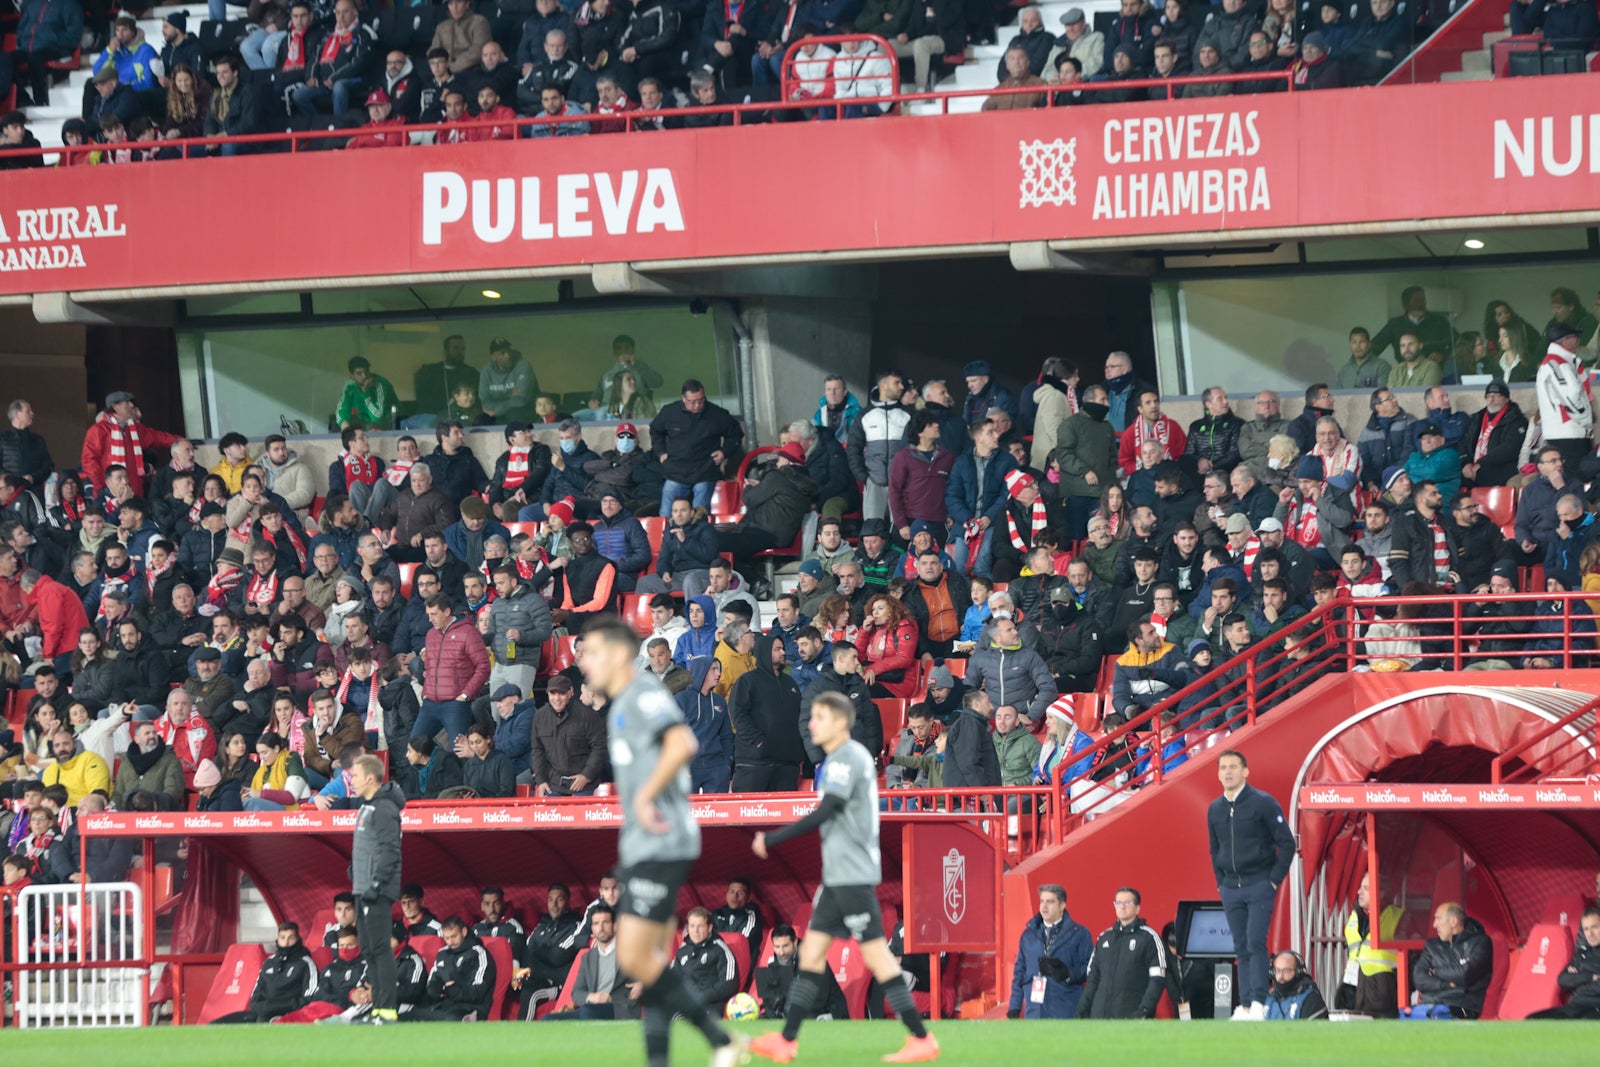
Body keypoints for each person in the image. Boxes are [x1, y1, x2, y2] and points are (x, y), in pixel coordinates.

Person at [585, 618, 745, 1067]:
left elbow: (681, 743)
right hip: (643, 841)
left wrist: (646, 797)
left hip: (662, 837)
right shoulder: (619, 705)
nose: (584, 662)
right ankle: (669, 1058)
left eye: (592, 653)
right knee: (648, 961)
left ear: (618, 655)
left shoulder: (644, 694)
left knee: (636, 955)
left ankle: (719, 1039)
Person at [749, 692, 937, 1064]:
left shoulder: (845, 758)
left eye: (819, 717)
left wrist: (772, 838)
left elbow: (829, 809)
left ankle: (920, 1037)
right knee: (812, 956)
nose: (811, 724)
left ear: (839, 722)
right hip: (839, 877)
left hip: (850, 876)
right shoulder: (844, 758)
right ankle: (787, 1041)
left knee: (878, 959)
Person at [1207, 750, 1296, 1020]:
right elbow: (1214, 849)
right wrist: (1221, 883)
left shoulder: (1263, 803)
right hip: (1231, 888)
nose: (1228, 772)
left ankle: (1259, 1001)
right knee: (1240, 945)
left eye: (1233, 767)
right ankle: (1245, 1005)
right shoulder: (1214, 809)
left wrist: (1272, 881)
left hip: (1259, 884)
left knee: (1256, 943)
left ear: (1246, 771)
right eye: (1223, 767)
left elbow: (1287, 843)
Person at [649, 379, 744, 516]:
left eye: (701, 400)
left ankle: (699, 536)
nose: (698, 405)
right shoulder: (669, 412)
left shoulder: (716, 414)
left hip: (705, 471)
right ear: (683, 399)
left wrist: (724, 452)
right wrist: (661, 452)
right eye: (693, 402)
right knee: (667, 514)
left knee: (700, 513)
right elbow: (655, 430)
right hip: (676, 472)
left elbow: (736, 434)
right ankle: (669, 537)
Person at [1077, 887, 1167, 1019]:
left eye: (1128, 903)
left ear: (1137, 908)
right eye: (1118, 903)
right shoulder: (1104, 938)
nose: (1122, 907)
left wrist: (1144, 1011)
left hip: (1132, 1017)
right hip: (1100, 1017)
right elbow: (1093, 979)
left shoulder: (1149, 937)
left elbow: (1157, 979)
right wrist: (1081, 1011)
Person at [729, 633, 804, 792]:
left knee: (785, 816)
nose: (783, 652)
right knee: (749, 815)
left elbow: (800, 717)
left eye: (783, 648)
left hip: (787, 765)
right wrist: (758, 742)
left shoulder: (790, 683)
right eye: (777, 649)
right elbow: (738, 714)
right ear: (764, 652)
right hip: (755, 764)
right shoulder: (747, 681)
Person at [1007, 883, 1092, 1019]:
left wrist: (1068, 974)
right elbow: (1019, 973)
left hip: (1066, 1011)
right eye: (1042, 901)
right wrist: (1014, 1006)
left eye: (1050, 901)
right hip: (1035, 1012)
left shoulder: (1080, 934)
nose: (1044, 906)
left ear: (1062, 905)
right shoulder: (1028, 935)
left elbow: (1090, 968)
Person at [211, 924, 319, 1023]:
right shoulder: (269, 962)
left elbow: (309, 999)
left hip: (286, 1013)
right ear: (278, 939)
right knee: (216, 1024)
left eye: (291, 938)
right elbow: (256, 994)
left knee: (262, 1020)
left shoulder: (306, 963)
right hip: (261, 1011)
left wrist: (278, 1007)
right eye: (282, 938)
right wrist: (261, 1007)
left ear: (298, 939)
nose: (286, 942)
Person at [1411, 902, 1493, 1019]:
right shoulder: (1431, 945)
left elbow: (1465, 974)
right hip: (1427, 1006)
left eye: (1438, 919)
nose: (1434, 925)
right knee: (1398, 1019)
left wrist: (1435, 972)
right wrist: (1445, 984)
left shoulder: (1480, 942)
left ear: (1454, 922)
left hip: (1461, 1006)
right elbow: (1418, 978)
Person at [529, 675, 607, 796]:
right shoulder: (540, 716)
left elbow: (599, 747)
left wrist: (586, 776)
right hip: (553, 784)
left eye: (561, 694)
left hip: (584, 785)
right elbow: (537, 750)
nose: (557, 698)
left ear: (571, 693)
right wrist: (541, 780)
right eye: (552, 694)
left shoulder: (588, 715)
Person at [757, 923, 849, 1020]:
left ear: (795, 942)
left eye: (785, 946)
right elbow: (770, 1004)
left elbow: (817, 1001)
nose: (781, 952)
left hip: (826, 1012)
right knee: (761, 1019)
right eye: (777, 947)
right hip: (792, 1013)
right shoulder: (774, 963)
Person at [1341, 871, 1402, 1015]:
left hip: (1382, 994)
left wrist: (1391, 988)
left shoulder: (1398, 917)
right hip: (1354, 989)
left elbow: (1412, 960)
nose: (1359, 891)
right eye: (1361, 887)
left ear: (1381, 893)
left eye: (1366, 888)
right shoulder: (1355, 915)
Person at [1537, 321, 1594, 472]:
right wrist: (1586, 420)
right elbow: (1572, 398)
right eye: (1575, 337)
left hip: (1568, 433)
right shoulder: (1557, 363)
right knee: (1573, 482)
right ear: (1566, 340)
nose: (1577, 341)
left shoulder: (1560, 362)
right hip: (1567, 435)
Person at [1528, 906, 1600, 1019]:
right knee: (1533, 1019)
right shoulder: (1581, 955)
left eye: (1594, 927)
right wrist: (1590, 977)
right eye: (1586, 929)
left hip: (1595, 1007)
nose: (1590, 933)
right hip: (1575, 1006)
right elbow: (1563, 980)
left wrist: (1577, 977)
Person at [671, 908, 741, 1010]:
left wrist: (701, 997)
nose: (696, 931)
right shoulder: (682, 951)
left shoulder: (720, 949)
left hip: (710, 1006)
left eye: (700, 926)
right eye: (692, 926)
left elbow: (730, 983)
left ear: (709, 928)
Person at [1265, 951, 1327, 1020]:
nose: (1281, 975)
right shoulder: (1268, 998)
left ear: (1298, 972)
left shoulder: (1311, 999)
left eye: (1286, 971)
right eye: (1277, 970)